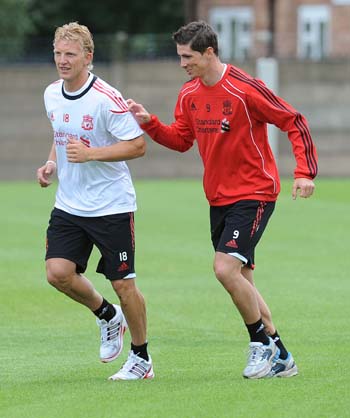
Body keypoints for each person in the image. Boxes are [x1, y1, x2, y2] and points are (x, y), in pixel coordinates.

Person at [127, 21, 318, 379]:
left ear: (209, 52)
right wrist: (150, 122)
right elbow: (182, 140)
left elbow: (294, 121)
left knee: (224, 269)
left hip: (255, 192)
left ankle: (259, 345)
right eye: (180, 56)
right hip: (218, 199)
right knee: (242, 279)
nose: (183, 63)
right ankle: (281, 356)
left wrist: (305, 171)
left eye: (188, 57)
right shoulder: (189, 94)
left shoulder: (245, 89)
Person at [37, 22, 154, 381]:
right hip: (70, 204)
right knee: (57, 273)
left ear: (88, 57)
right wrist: (52, 162)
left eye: (70, 54)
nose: (62, 60)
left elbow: (138, 146)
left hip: (111, 206)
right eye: (58, 53)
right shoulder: (51, 94)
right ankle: (107, 315)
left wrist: (92, 155)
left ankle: (141, 358)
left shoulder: (106, 98)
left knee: (124, 284)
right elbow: (62, 134)